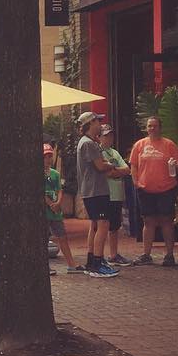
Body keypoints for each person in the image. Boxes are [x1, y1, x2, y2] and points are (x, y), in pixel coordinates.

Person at [129, 116, 178, 267]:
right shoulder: (139, 145)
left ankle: (169, 255)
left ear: (160, 127)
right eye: (149, 126)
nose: (152, 128)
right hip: (145, 189)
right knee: (148, 221)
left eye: (155, 126)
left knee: (167, 221)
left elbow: (177, 165)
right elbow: (133, 165)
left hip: (166, 188)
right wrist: (135, 182)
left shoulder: (169, 144)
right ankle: (146, 254)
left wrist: (175, 165)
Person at [75, 112, 119, 277]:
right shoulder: (89, 144)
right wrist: (111, 164)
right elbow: (100, 166)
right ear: (90, 123)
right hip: (96, 190)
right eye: (97, 121)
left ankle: (92, 260)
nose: (100, 124)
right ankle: (98, 263)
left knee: (95, 225)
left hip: (91, 190)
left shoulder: (87, 142)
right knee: (103, 224)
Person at [44, 144, 85, 274]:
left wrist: (58, 203)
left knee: (62, 236)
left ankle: (71, 264)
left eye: (50, 156)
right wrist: (51, 204)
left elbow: (59, 190)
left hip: (56, 211)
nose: (48, 159)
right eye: (46, 157)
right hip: (45, 210)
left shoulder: (55, 174)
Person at [99, 125, 133, 265]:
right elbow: (107, 173)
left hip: (118, 194)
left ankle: (113, 254)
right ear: (99, 137)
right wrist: (116, 171)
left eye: (111, 135)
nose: (109, 138)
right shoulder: (99, 152)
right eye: (106, 135)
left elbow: (127, 169)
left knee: (114, 226)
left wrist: (115, 170)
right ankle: (98, 255)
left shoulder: (114, 152)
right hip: (106, 193)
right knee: (102, 226)